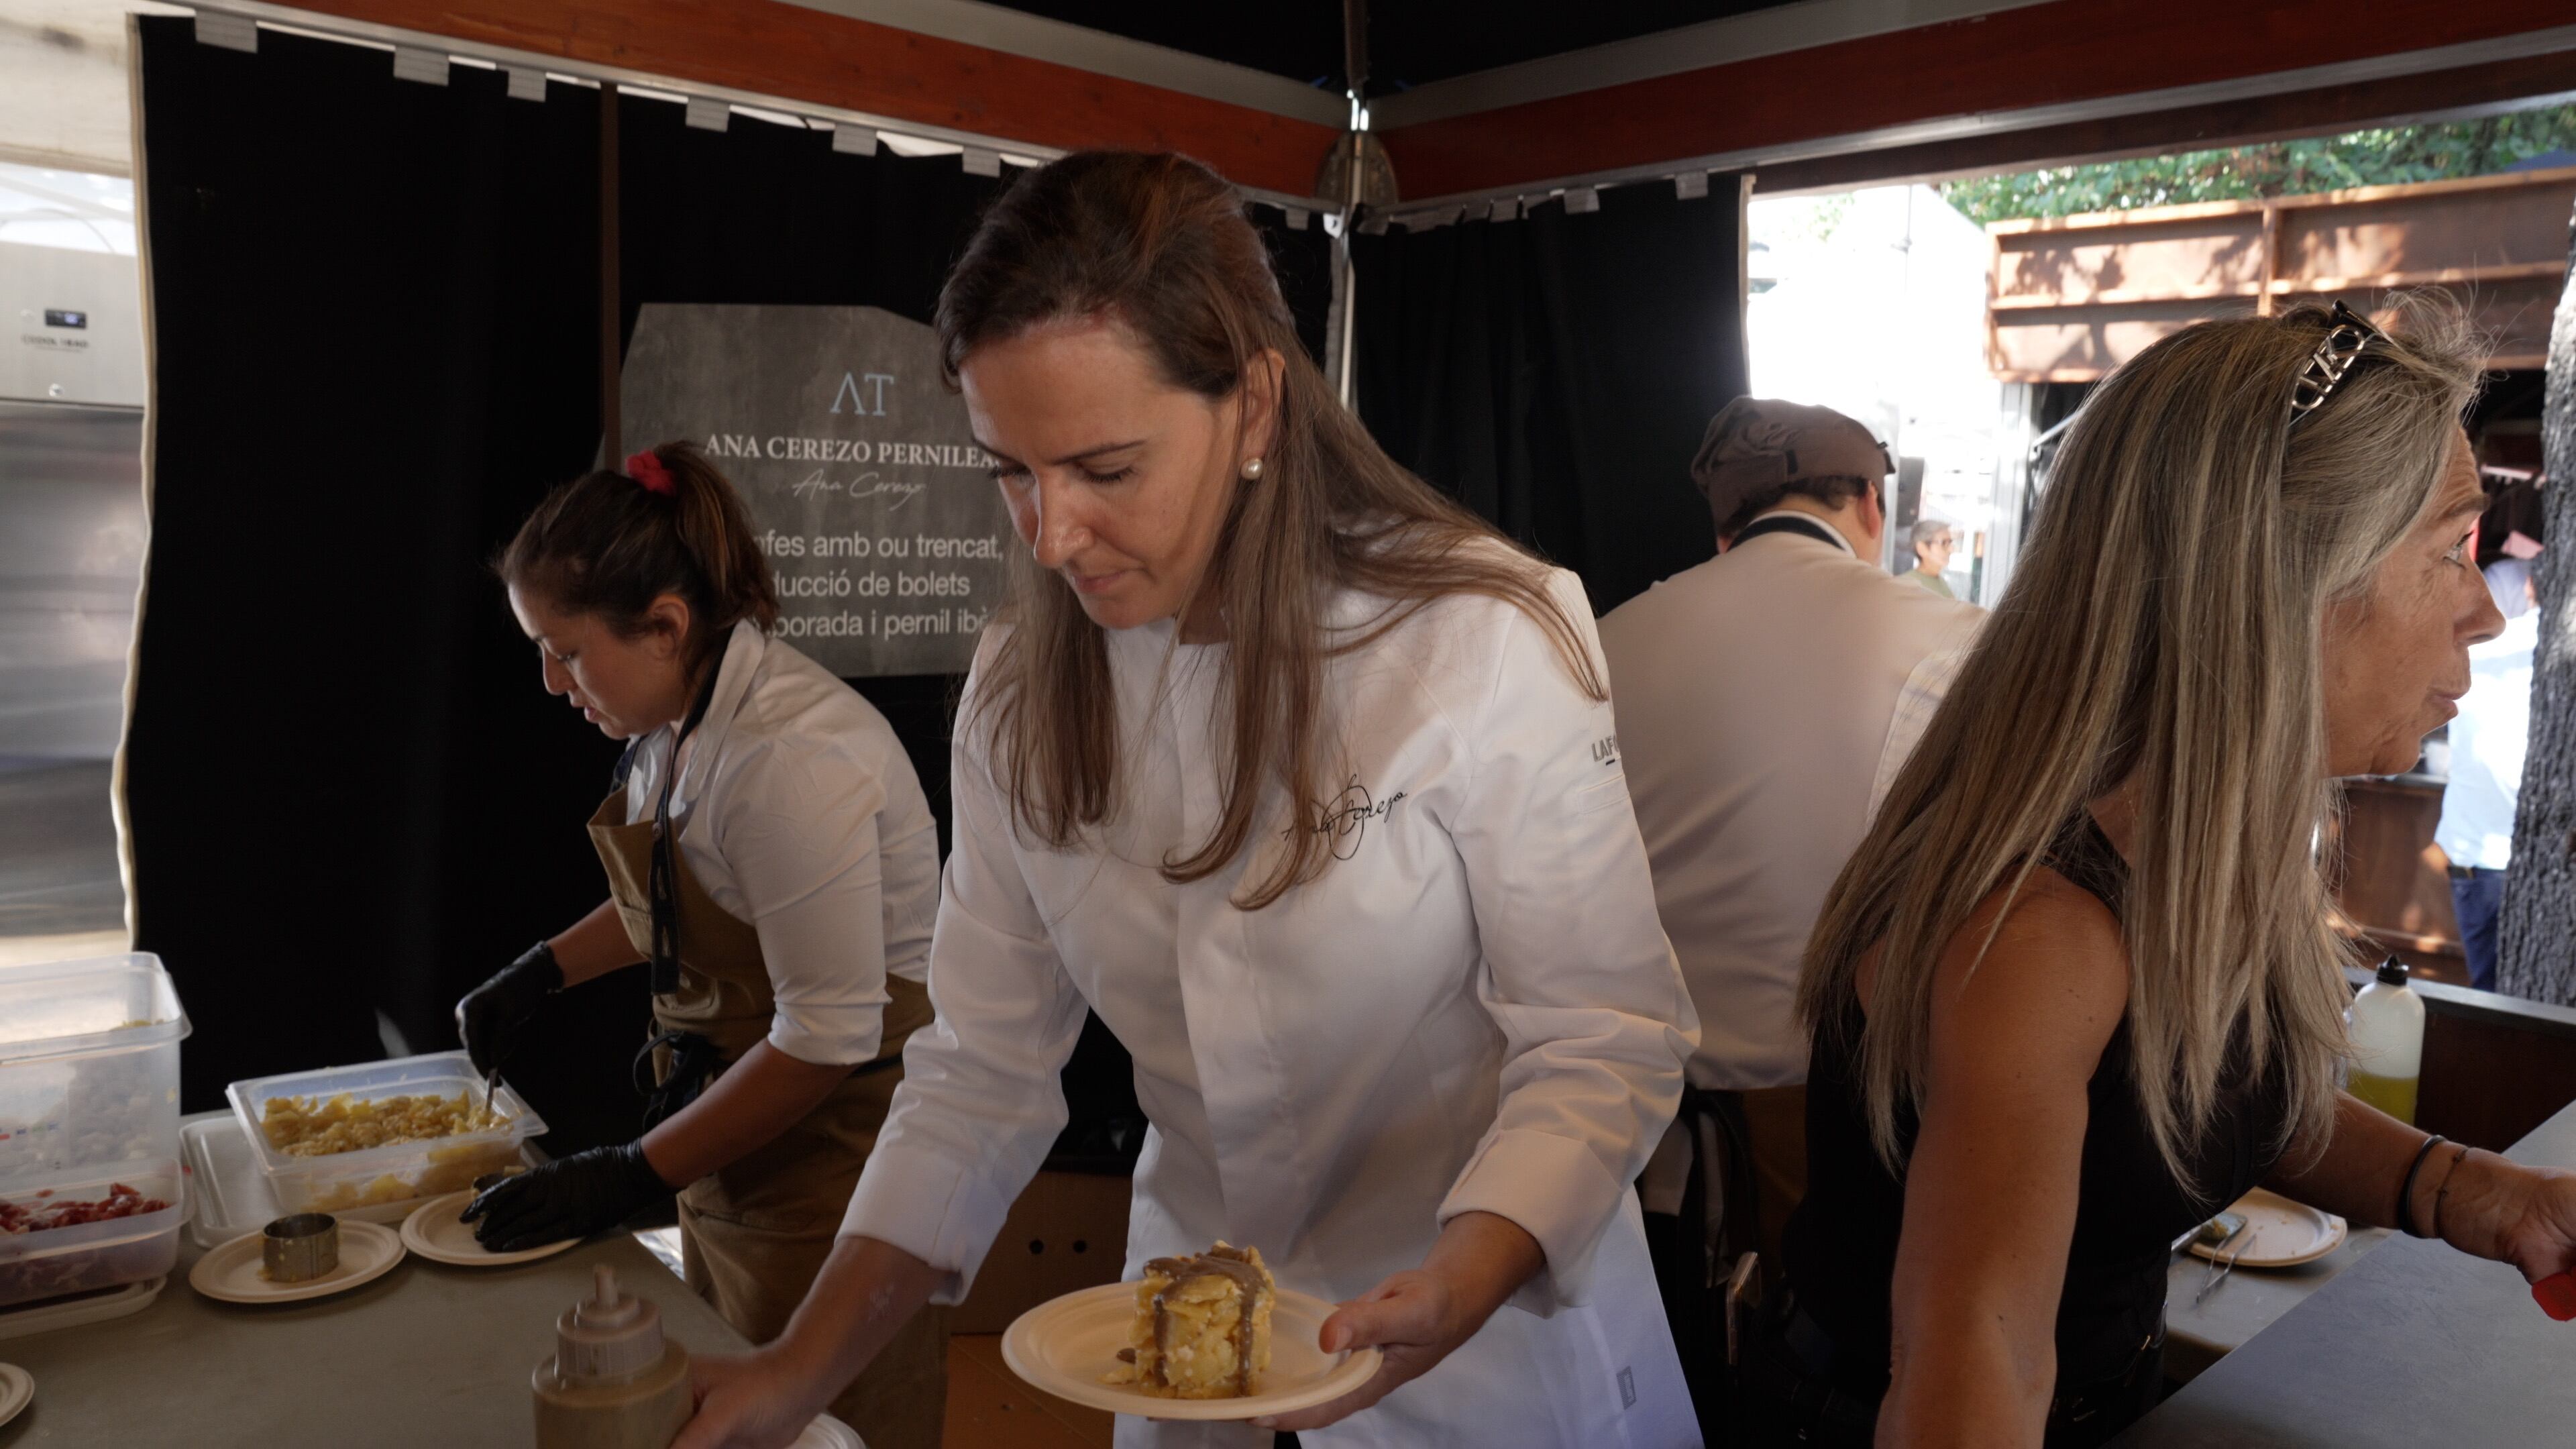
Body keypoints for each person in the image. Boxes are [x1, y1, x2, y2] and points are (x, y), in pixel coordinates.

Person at [674, 150, 1701, 1449]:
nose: (1049, 537)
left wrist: (1467, 1275)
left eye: (1105, 470)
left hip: (1482, 1360)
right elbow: (977, 1071)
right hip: (1187, 1358)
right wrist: (793, 1371)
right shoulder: (1020, 685)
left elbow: (1602, 1031)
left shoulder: (1479, 636)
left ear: (1257, 407)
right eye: (1011, 472)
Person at [1760, 297, 2576, 1448]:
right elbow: (1972, 1368)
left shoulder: (2194, 852)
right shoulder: (2037, 936)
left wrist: (2475, 1193)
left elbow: (2207, 1105)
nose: (2485, 616)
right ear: (2283, 581)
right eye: (2451, 550)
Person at [455, 441, 947, 1446]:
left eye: (568, 649)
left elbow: (826, 1039)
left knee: (835, 1425)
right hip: (736, 1149)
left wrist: (631, 1171)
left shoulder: (790, 766)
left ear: (668, 625)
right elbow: (680, 906)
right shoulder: (673, 725)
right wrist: (540, 973)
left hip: (834, 1171)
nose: (552, 682)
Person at [1598, 400, 1979, 1424]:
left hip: (1633, 1144)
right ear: (1868, 501)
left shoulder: (1604, 639)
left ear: (1724, 526)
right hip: (1845, 1143)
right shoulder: (1952, 637)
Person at [2436, 557, 2538, 990]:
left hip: (2476, 856)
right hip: (2536, 859)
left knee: (2494, 1006)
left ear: (2530, 588)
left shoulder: (2480, 648)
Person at [1902, 518, 1957, 598]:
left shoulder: (1942, 582)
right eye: (1944, 543)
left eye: (1950, 543)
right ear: (1922, 548)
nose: (1951, 550)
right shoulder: (1907, 585)